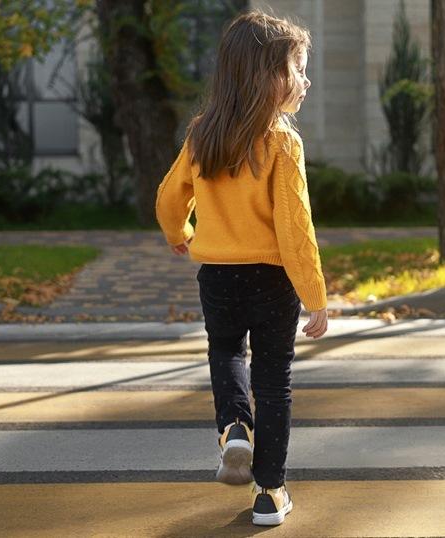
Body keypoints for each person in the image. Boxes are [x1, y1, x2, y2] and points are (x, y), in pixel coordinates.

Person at [154, 8, 328, 527]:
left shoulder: (204, 133)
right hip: (273, 278)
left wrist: (179, 233)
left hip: (218, 275)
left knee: (226, 349)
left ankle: (233, 427)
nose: (306, 78)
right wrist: (315, 297)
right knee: (274, 380)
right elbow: (296, 230)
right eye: (297, 68)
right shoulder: (282, 142)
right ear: (267, 76)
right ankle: (270, 494)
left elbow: (168, 197)